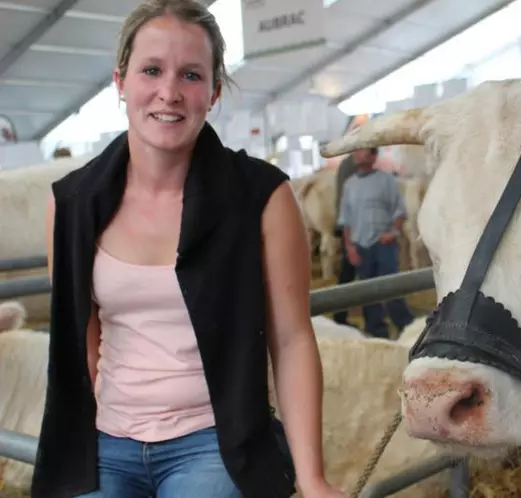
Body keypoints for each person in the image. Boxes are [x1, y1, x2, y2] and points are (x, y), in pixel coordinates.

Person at [30, 1, 345, 497]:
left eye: (192, 75)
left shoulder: (263, 197)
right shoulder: (70, 205)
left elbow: (290, 339)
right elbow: (83, 344)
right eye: (151, 70)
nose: (170, 92)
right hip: (107, 441)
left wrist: (313, 478)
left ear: (214, 91)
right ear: (120, 81)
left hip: (215, 441)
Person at [337, 147, 415, 339]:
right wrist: (350, 247)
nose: (356, 154)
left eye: (362, 151)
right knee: (368, 293)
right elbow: (346, 219)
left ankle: (406, 329)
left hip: (383, 244)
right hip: (361, 245)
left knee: (392, 288)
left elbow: (399, 210)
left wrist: (393, 232)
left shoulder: (386, 180)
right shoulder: (350, 185)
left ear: (373, 156)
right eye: (355, 152)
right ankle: (377, 332)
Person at [331, 153, 358, 326]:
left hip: (351, 224)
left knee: (347, 272)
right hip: (354, 226)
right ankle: (340, 315)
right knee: (348, 271)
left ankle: (340, 314)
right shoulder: (351, 165)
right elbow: (348, 199)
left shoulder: (346, 164)